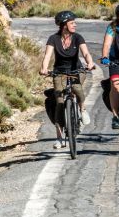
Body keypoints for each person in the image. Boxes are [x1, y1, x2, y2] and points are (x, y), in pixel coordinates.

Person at [40, 10, 96, 149]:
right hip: (59, 72)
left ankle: (82, 109)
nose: (75, 25)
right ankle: (59, 138)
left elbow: (86, 53)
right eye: (72, 23)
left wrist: (90, 63)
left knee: (77, 90)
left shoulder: (78, 37)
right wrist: (44, 68)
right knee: (59, 102)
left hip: (76, 70)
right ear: (64, 25)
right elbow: (47, 56)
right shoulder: (53, 39)